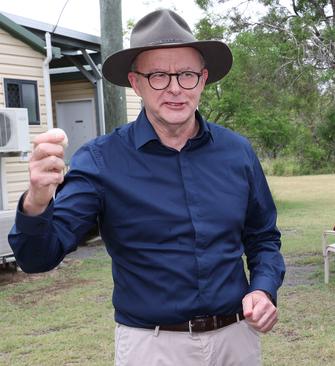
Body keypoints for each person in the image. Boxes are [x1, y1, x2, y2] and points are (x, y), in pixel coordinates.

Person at [9, 9, 285, 366]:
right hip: (152, 347)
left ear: (202, 79)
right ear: (135, 83)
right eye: (157, 75)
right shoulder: (100, 159)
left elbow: (263, 237)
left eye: (186, 74)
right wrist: (36, 200)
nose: (174, 88)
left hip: (237, 340)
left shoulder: (238, 153)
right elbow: (37, 257)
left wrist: (263, 289)